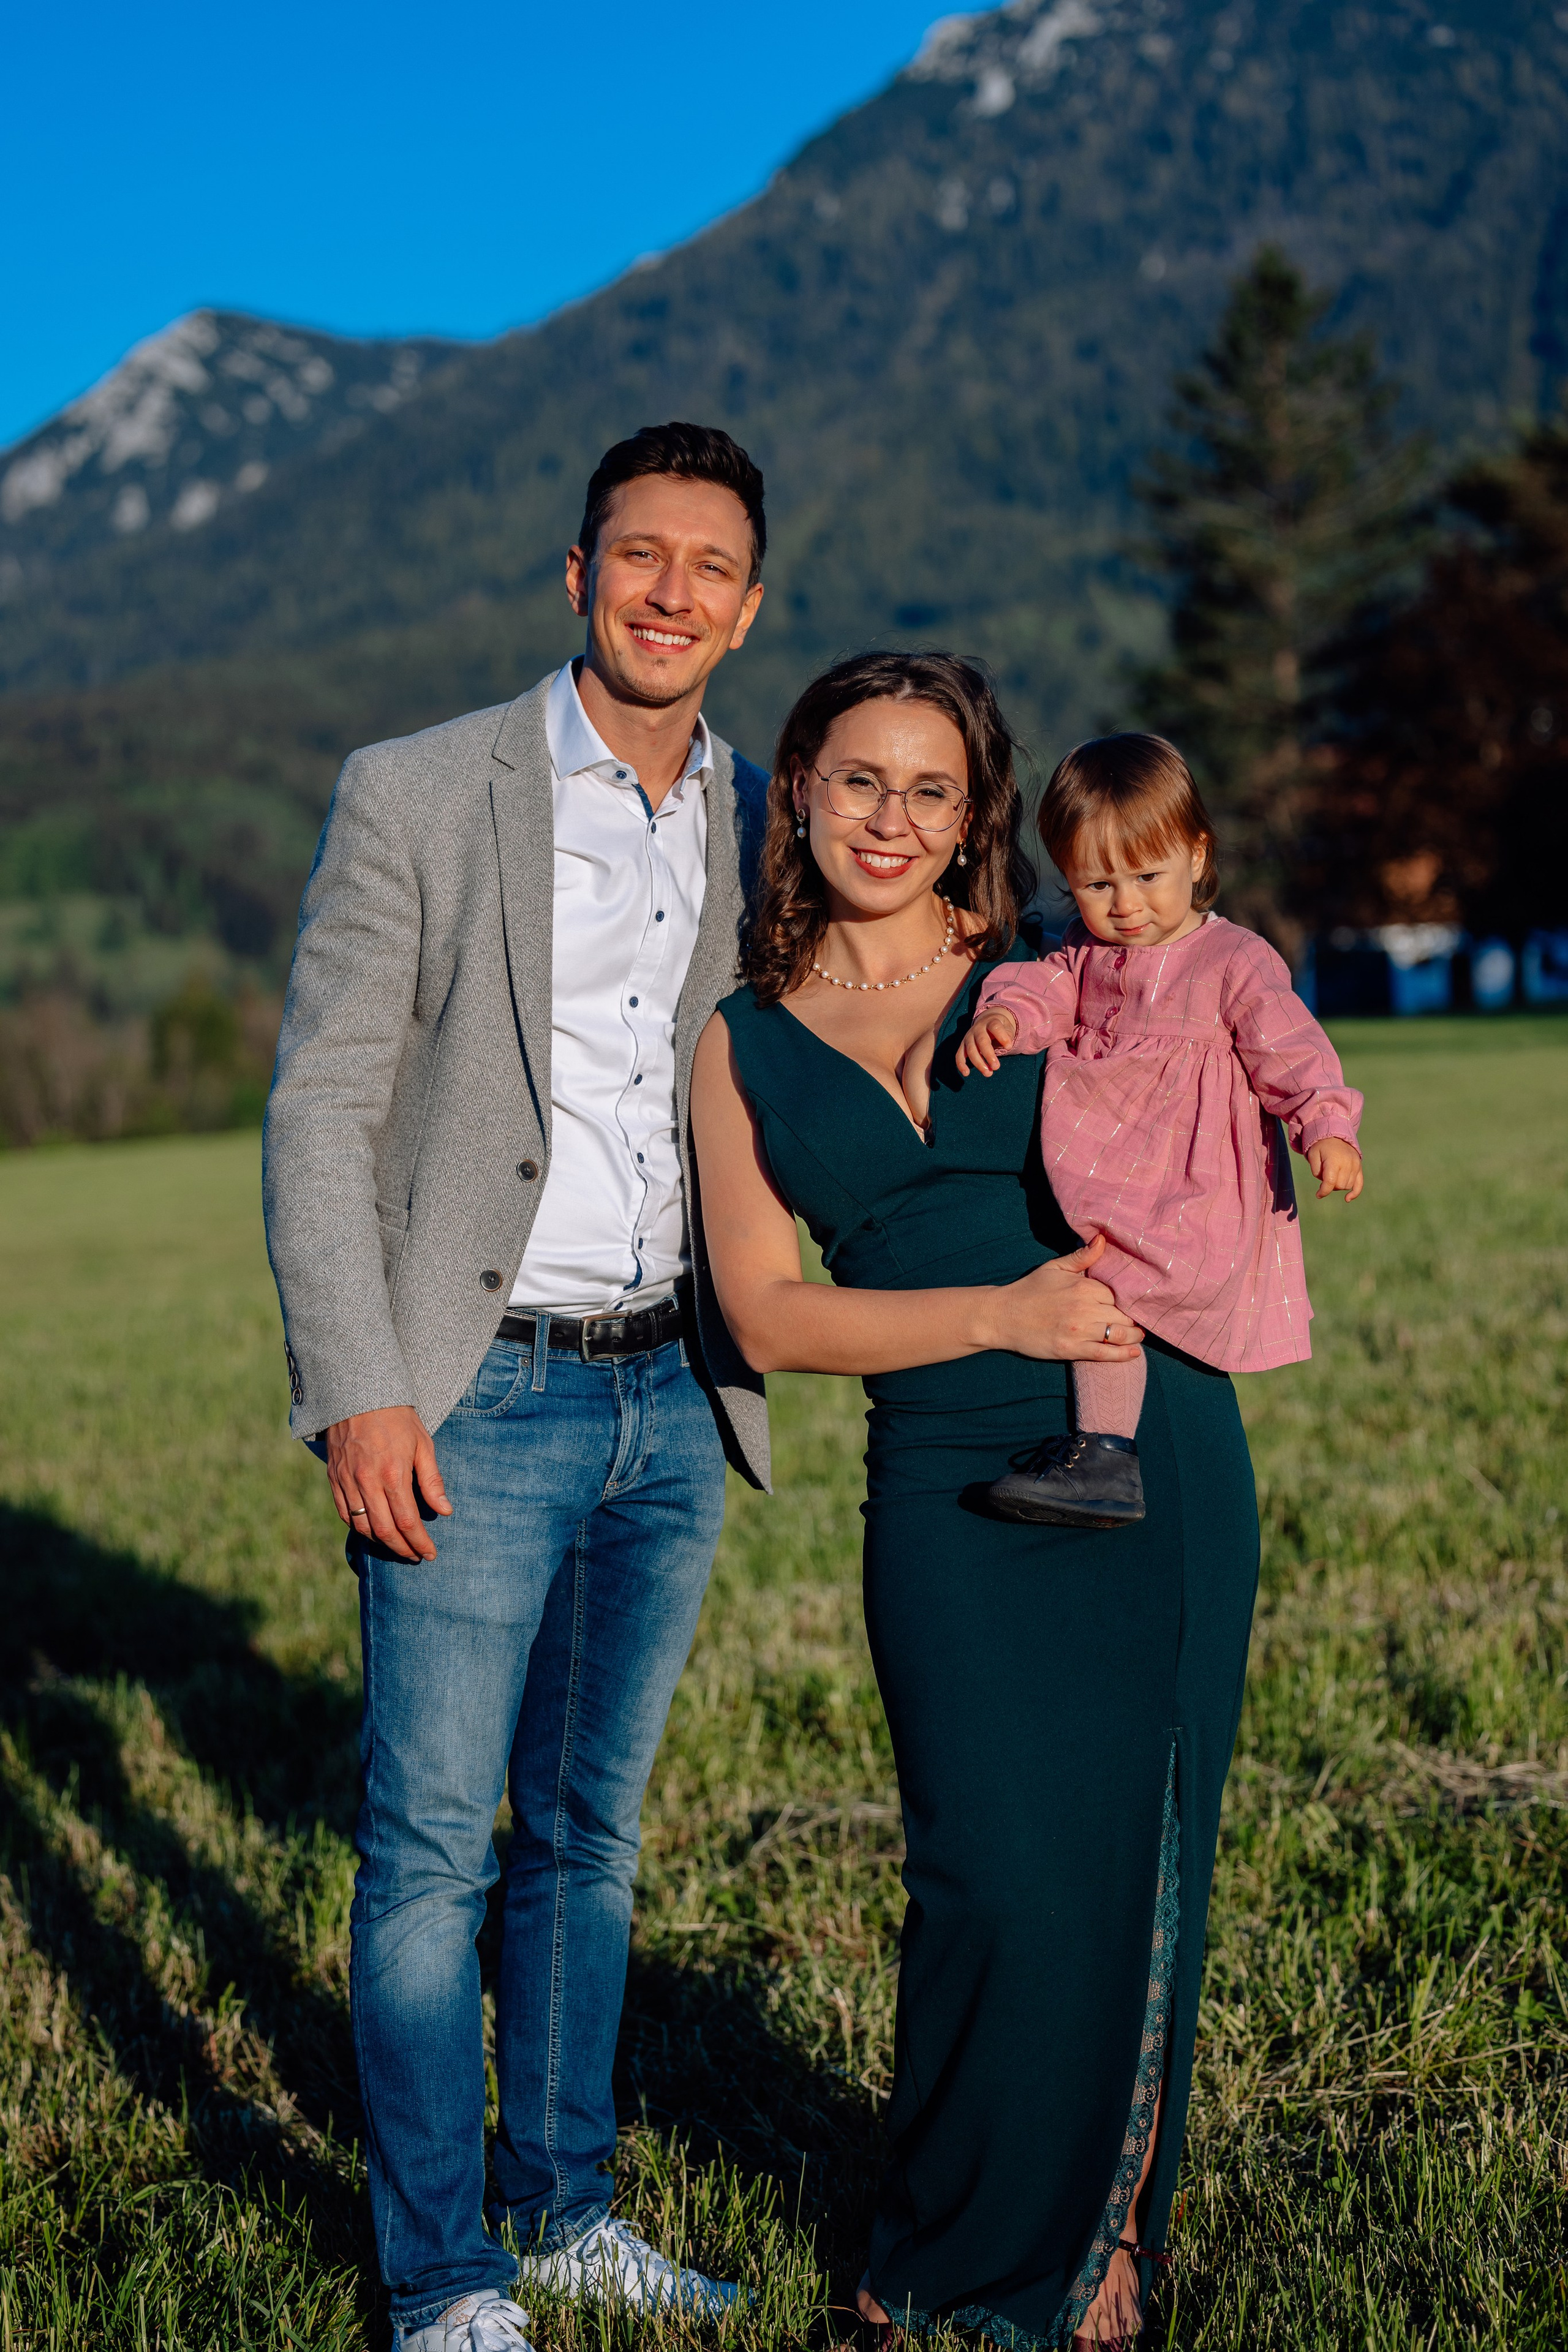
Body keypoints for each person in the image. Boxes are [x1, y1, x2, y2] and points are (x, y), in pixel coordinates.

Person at [263, 423, 772, 2352]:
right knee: (424, 1856)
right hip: (471, 1398)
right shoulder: (415, 790)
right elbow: (322, 1109)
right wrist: (357, 1388)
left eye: (707, 565)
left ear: (748, 601)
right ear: (577, 575)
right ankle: (442, 2275)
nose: (669, 593)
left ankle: (562, 2213)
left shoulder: (759, 812)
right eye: (636, 556)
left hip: (675, 1402)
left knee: (590, 1838)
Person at [690, 653, 1261, 2350]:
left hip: (1143, 1439)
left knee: (1133, 1853)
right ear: (796, 790)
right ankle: (947, 2239)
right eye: (858, 779)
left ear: (975, 820)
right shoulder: (740, 1045)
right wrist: (995, 1316)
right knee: (983, 1874)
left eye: (931, 790)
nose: (892, 817)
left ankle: (1099, 2257)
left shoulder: (1059, 968)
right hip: (939, 1471)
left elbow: (1232, 1048)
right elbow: (768, 1313)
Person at [957, 732, 1363, 1529]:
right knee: (1094, 1288)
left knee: (1104, 1289)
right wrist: (1004, 1016)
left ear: (1196, 853)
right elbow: (1045, 991)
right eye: (1098, 883)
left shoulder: (1234, 962)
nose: (1126, 904)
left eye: (1148, 876)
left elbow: (1294, 1050)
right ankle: (1107, 1455)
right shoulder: (1086, 953)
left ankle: (1106, 1456)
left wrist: (1325, 1126)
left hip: (1190, 1192)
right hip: (1113, 1179)